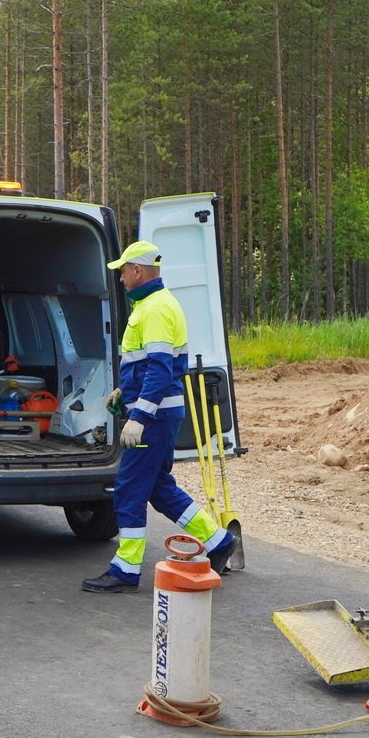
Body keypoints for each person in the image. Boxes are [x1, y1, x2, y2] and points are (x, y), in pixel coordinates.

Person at [82, 241, 237, 592]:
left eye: (123, 271)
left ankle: (125, 570)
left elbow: (160, 368)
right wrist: (125, 391)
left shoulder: (153, 309)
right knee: (158, 487)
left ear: (138, 270)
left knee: (129, 490)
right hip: (159, 412)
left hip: (153, 417)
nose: (121, 278)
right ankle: (217, 542)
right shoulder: (155, 305)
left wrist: (139, 415)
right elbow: (148, 366)